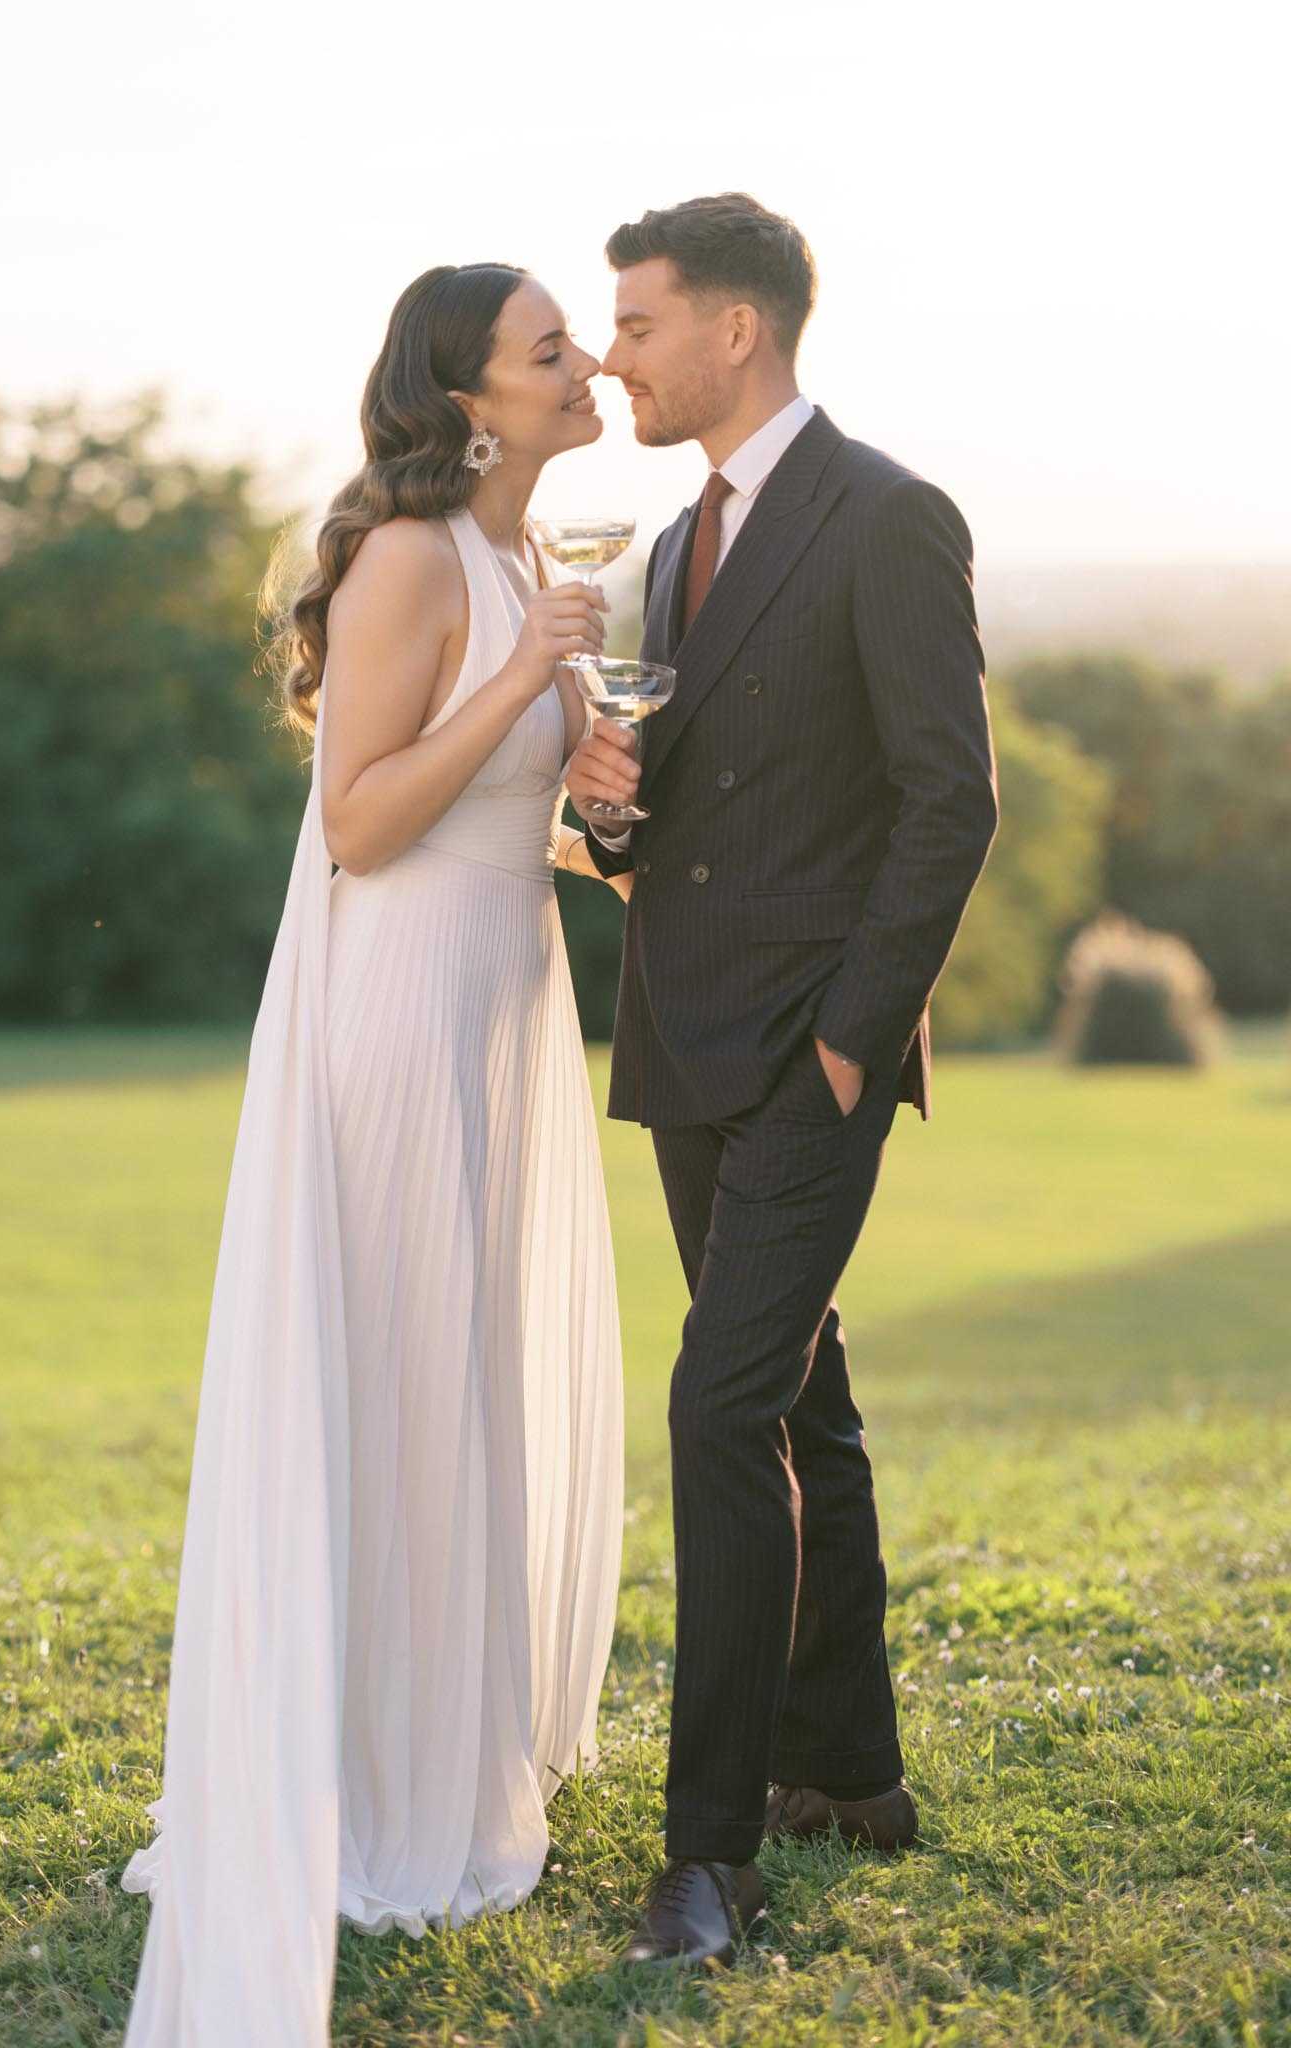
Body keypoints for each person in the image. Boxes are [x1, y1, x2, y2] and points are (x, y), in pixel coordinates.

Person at [119, 262, 629, 2047]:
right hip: (404, 1018)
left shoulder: (526, 566)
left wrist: (593, 808)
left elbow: (492, 821)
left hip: (507, 1003)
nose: (588, 366)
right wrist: (528, 691)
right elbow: (357, 823)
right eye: (552, 348)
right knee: (404, 1378)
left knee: (471, 1375)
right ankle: (374, 1793)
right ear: (470, 399)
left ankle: (445, 1742)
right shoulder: (414, 558)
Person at [568, 193, 1000, 1969]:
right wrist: (608, 813)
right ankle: (852, 1776)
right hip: (683, 1042)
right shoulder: (674, 546)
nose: (616, 355)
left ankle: (709, 1858)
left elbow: (947, 798)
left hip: (810, 1060)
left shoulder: (890, 517)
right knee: (801, 1403)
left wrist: (851, 1037)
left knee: (719, 1406)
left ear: (735, 330)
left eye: (641, 324)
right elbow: (681, 807)